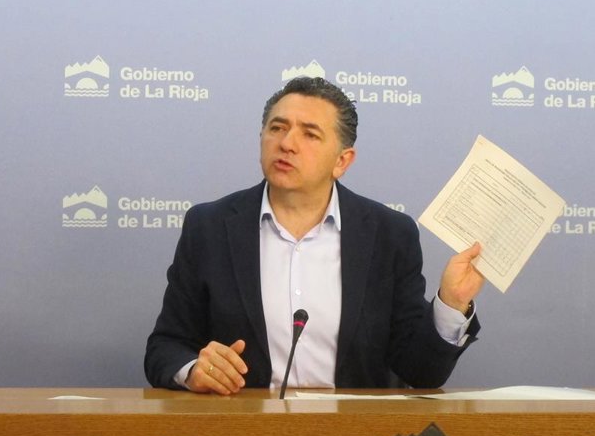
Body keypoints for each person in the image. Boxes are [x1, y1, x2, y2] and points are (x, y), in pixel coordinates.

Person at [144, 76, 485, 394]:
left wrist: (451, 304)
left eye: (309, 134)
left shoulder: (390, 235)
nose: (286, 143)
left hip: (353, 432)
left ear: (342, 161)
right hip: (245, 432)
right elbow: (165, 346)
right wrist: (194, 370)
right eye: (277, 128)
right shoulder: (209, 227)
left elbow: (421, 373)